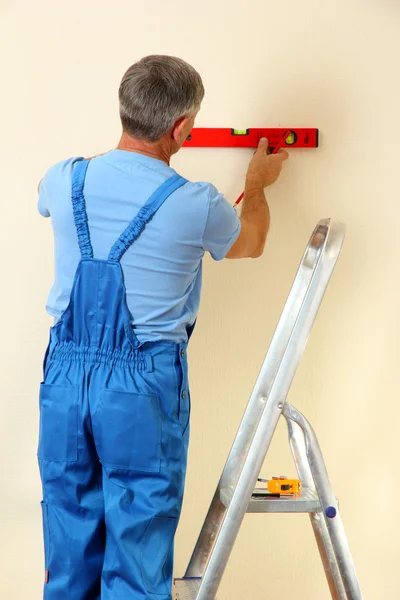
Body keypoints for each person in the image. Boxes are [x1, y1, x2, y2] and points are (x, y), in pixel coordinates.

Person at [37, 54, 288, 599]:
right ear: (181, 128)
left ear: (124, 108)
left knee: (68, 528)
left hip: (64, 378)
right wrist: (258, 184)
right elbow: (251, 243)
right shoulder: (192, 202)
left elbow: (49, 202)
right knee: (138, 539)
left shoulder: (64, 178)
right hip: (142, 386)